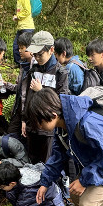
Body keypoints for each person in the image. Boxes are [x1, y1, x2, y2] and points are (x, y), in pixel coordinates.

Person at [24, 31, 69, 164]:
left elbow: (63, 101)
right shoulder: (33, 70)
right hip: (32, 127)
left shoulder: (61, 73)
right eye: (35, 54)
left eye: (40, 54)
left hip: (49, 129)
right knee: (31, 164)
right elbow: (27, 96)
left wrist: (41, 91)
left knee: (47, 164)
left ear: (51, 50)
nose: (37, 58)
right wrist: (24, 119)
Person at [7, 31, 35, 138]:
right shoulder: (23, 66)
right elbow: (19, 89)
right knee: (10, 136)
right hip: (19, 109)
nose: (19, 51)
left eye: (22, 48)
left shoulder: (35, 68)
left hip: (27, 112)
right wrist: (6, 85)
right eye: (19, 48)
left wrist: (25, 118)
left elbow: (29, 93)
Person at [12, 0, 35, 66]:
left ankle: (28, 63)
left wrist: (17, 16)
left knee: (26, 47)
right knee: (16, 45)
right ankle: (19, 63)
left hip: (27, 26)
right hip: (21, 27)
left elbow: (27, 11)